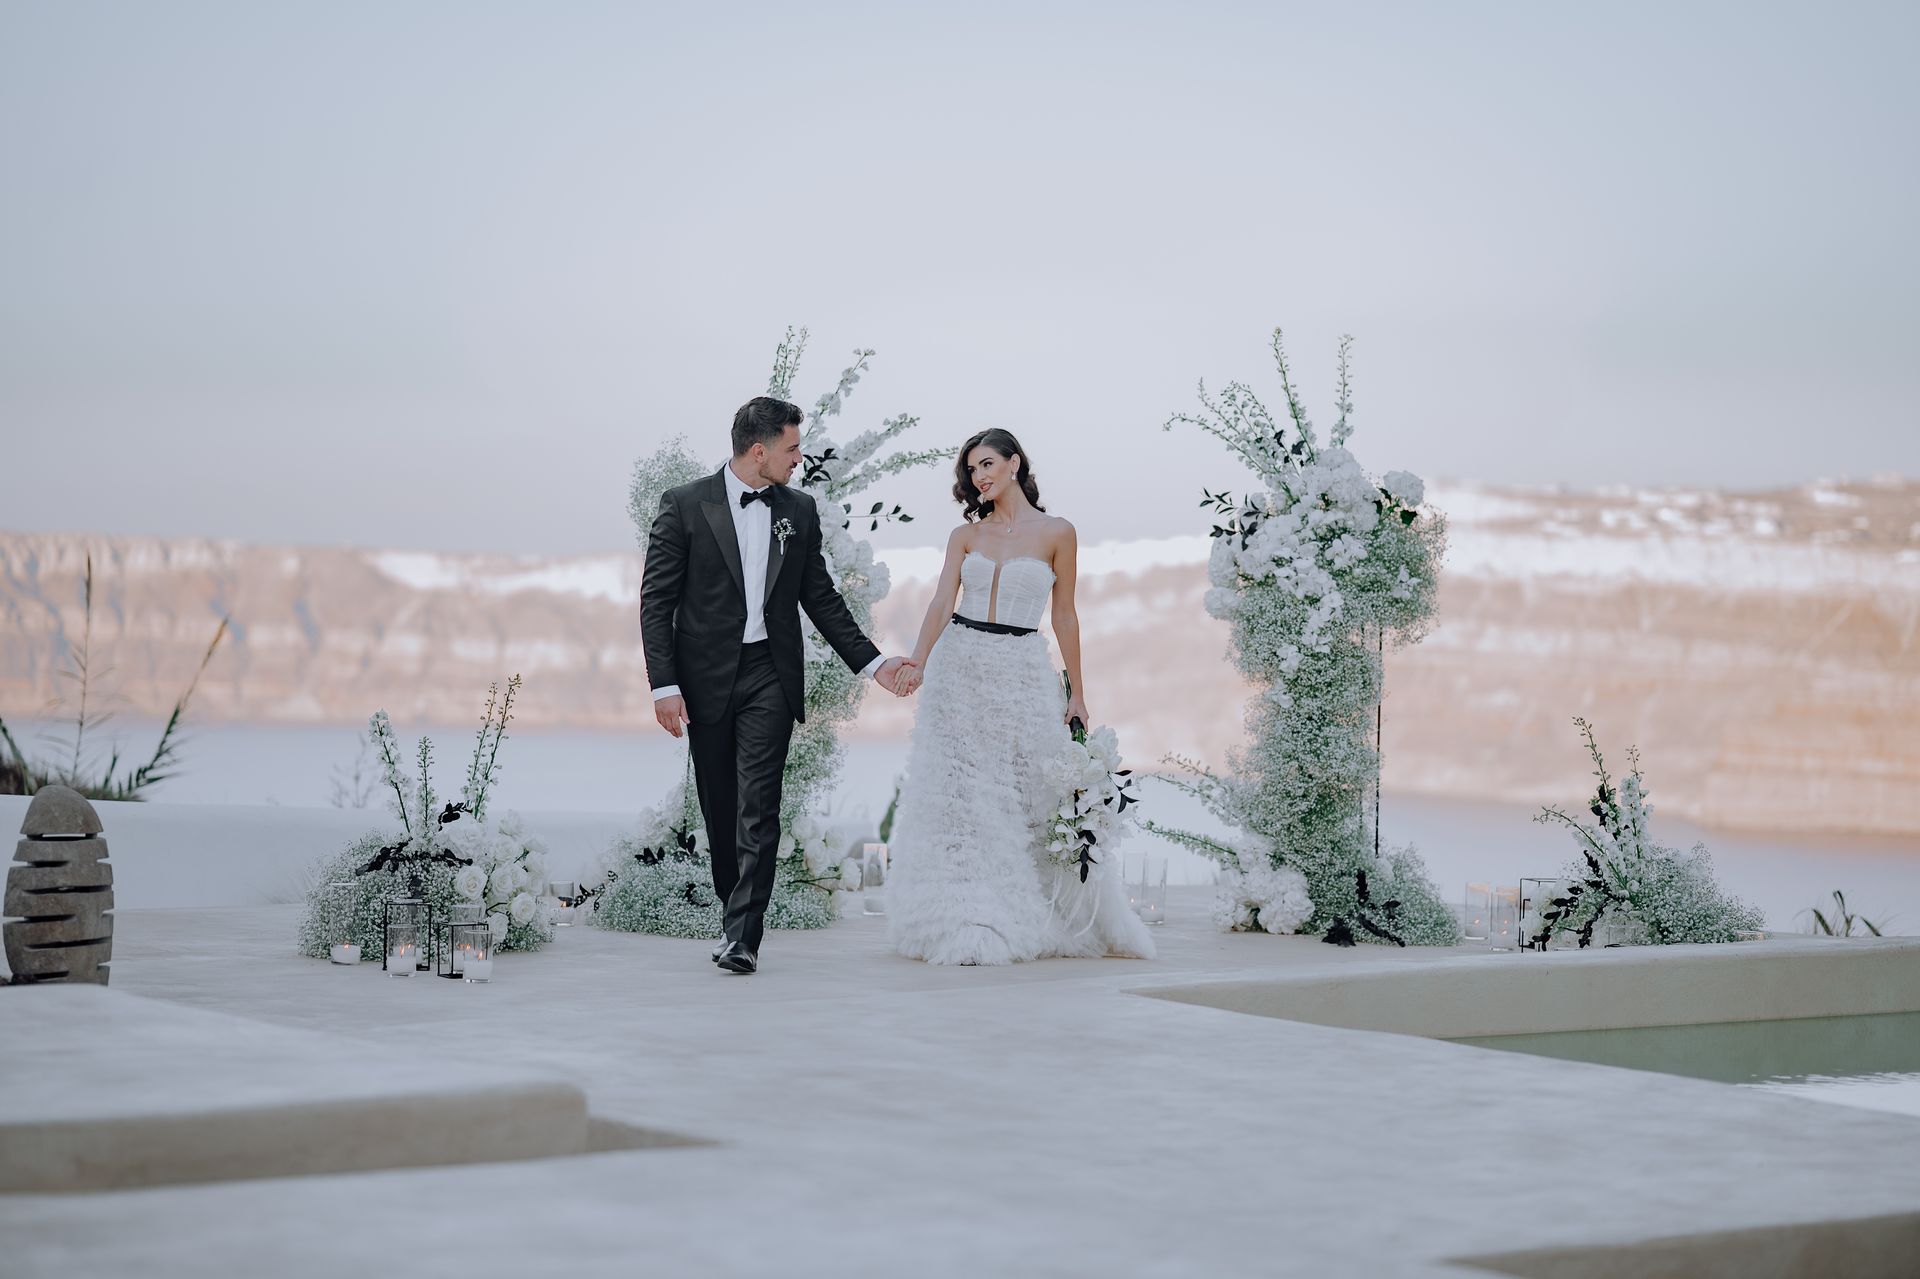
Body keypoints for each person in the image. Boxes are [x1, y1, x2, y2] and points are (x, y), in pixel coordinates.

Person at [641, 396, 914, 974]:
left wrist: (873, 663)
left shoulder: (801, 509)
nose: (799, 457)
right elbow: (657, 601)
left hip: (771, 671)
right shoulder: (685, 505)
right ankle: (730, 912)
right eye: (792, 448)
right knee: (720, 808)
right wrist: (664, 686)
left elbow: (820, 598)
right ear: (759, 451)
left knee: (759, 805)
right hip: (704, 679)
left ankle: (744, 937)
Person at [884, 429, 1155, 966]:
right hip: (959, 668)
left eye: (987, 465)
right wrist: (918, 659)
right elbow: (941, 602)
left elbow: (1064, 616)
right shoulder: (966, 537)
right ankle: (961, 910)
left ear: (1014, 464)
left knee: (1027, 792)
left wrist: (1078, 692)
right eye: (971, 470)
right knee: (960, 796)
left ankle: (1029, 911)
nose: (979, 477)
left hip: (1022, 671)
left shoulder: (1058, 532)